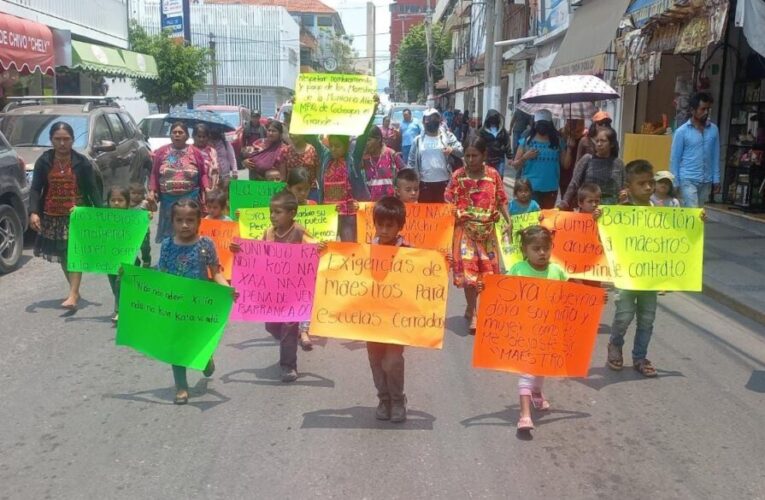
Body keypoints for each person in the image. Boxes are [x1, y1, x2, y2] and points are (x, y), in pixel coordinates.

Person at [158, 198, 230, 404]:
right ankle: (181, 386)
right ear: (172, 221)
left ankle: (205, 358)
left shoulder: (206, 244)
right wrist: (133, 279)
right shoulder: (167, 245)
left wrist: (228, 290)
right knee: (176, 345)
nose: (184, 225)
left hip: (199, 306)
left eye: (190, 220)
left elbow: (216, 273)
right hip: (174, 305)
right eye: (179, 220)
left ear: (199, 221)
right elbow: (160, 274)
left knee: (198, 341)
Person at [28, 121, 103, 310]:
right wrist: (33, 212)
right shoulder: (44, 161)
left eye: (66, 139)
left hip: (77, 215)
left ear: (72, 140)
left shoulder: (81, 162)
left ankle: (72, 294)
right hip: (53, 216)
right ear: (51, 140)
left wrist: (100, 214)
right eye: (57, 139)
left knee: (73, 253)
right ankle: (74, 290)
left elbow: (92, 190)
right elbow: (36, 188)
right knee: (63, 255)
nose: (62, 143)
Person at [445, 137, 510, 335]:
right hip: (465, 232)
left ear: (484, 156)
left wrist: (509, 221)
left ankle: (475, 306)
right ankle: (474, 311)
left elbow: (501, 199)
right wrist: (457, 214)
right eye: (467, 156)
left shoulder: (493, 175)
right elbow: (448, 200)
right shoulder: (458, 176)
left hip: (488, 234)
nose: (470, 159)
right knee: (470, 275)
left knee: (488, 275)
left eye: (475, 155)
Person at [504, 226, 567, 431]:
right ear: (525, 250)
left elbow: (574, 295)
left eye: (546, 248)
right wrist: (485, 289)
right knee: (528, 370)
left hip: (549, 330)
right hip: (525, 330)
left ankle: (537, 392)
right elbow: (502, 291)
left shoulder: (557, 271)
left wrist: (596, 299)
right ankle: (524, 415)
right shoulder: (518, 270)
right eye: (536, 248)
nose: (542, 253)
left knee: (541, 366)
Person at [368, 196, 411, 422]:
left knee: (392, 360)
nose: (384, 230)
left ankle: (397, 398)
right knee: (375, 360)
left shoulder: (409, 251)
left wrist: (443, 261)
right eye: (380, 225)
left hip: (397, 318)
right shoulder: (366, 249)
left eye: (389, 226)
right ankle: (383, 399)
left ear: (400, 226)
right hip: (371, 317)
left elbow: (427, 273)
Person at [307, 113, 376, 242]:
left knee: (348, 248)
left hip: (348, 214)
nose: (333, 149)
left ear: (346, 146)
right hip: (328, 213)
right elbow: (312, 139)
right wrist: (297, 110)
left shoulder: (353, 159)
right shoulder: (325, 156)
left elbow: (363, 136)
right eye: (331, 145)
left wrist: (373, 110)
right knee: (327, 249)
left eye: (337, 146)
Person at [149, 122, 208, 243]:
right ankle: (169, 257)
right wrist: (152, 191)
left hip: (190, 199)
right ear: (170, 135)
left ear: (186, 136)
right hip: (167, 202)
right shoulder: (161, 152)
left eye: (180, 132)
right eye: (174, 132)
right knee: (169, 234)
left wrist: (207, 189)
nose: (177, 135)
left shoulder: (195, 153)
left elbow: (203, 174)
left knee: (189, 229)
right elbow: (154, 174)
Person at [670, 92, 720, 207]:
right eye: (703, 109)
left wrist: (716, 178)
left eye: (708, 109)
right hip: (688, 179)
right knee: (693, 212)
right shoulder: (681, 132)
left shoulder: (713, 130)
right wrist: (675, 182)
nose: (706, 112)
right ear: (693, 110)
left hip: (706, 180)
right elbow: (675, 159)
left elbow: (716, 155)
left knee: (700, 214)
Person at [287, 167, 317, 349]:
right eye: (298, 189)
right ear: (288, 188)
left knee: (307, 294)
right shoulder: (284, 209)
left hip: (308, 261)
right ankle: (291, 324)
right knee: (291, 294)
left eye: (306, 189)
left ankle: (304, 329)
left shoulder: (313, 206)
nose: (302, 193)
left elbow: (321, 231)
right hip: (288, 261)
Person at [559, 127, 625, 209]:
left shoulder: (619, 163)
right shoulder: (587, 159)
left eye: (603, 141)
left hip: (611, 210)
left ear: (611, 144)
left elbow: (623, 187)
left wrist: (624, 198)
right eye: (597, 141)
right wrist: (564, 202)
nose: (599, 144)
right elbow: (574, 183)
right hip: (589, 207)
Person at [408, 108, 464, 203]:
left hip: (445, 183)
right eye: (428, 119)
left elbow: (461, 151)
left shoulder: (448, 136)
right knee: (426, 214)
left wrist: (452, 150)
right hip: (424, 184)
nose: (431, 121)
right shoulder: (417, 141)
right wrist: (411, 182)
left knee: (443, 213)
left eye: (434, 118)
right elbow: (411, 162)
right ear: (423, 121)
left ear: (439, 120)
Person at [511, 109, 562, 209]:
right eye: (539, 123)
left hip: (551, 188)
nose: (542, 126)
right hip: (530, 189)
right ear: (535, 124)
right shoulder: (526, 141)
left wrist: (569, 147)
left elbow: (566, 163)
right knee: (532, 221)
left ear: (550, 124)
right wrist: (525, 157)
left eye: (545, 123)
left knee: (546, 221)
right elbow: (516, 166)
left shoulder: (558, 141)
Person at [105, 186, 130, 323]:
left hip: (127, 259)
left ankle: (119, 311)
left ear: (127, 202)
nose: (116, 203)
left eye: (120, 200)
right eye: (113, 200)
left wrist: (147, 216)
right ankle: (125, 306)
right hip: (110, 259)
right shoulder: (104, 218)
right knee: (114, 284)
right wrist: (77, 213)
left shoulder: (133, 217)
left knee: (120, 283)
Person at [362, 126, 405, 201]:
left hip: (390, 202)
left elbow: (405, 172)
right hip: (371, 204)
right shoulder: (364, 158)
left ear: (378, 139)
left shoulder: (390, 153)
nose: (366, 143)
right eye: (364, 140)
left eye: (368, 140)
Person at [277, 133, 321, 200]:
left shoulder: (312, 150)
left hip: (310, 190)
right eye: (290, 134)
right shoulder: (285, 151)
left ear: (302, 133)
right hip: (293, 191)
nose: (292, 136)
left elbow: (318, 173)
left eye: (295, 133)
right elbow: (283, 177)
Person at [479, 109, 510, 178]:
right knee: (489, 177)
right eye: (491, 118)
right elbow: (479, 144)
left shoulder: (502, 130)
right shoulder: (482, 131)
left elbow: (507, 142)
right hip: (489, 158)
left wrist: (509, 156)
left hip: (500, 157)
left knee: (499, 176)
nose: (493, 120)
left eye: (495, 118)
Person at [129, 183, 153, 268]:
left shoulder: (144, 203)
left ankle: (146, 260)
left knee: (145, 247)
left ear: (143, 194)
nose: (136, 196)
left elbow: (153, 210)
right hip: (131, 232)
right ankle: (136, 261)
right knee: (130, 248)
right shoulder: (126, 205)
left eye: (139, 194)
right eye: (133, 193)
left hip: (144, 231)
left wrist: (150, 213)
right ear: (129, 194)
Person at [560, 119, 585, 196]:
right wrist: (569, 148)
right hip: (565, 178)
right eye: (571, 122)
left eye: (577, 122)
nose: (574, 126)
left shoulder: (585, 139)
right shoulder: (562, 136)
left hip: (581, 178)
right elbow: (565, 165)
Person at [192, 124, 219, 192]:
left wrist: (213, 187)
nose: (201, 139)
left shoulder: (211, 151)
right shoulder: (190, 150)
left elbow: (215, 169)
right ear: (193, 136)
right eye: (199, 136)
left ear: (208, 137)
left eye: (204, 137)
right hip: (194, 185)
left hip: (209, 185)